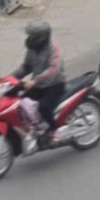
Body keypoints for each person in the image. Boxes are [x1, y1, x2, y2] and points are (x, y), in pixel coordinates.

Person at [13, 20, 66, 149]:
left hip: (54, 86)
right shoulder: (32, 50)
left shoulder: (53, 50)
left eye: (32, 36)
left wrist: (35, 81)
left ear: (40, 37)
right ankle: (34, 128)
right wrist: (11, 78)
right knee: (20, 103)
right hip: (38, 85)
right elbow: (26, 67)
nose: (29, 38)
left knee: (44, 107)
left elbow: (53, 70)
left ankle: (55, 131)